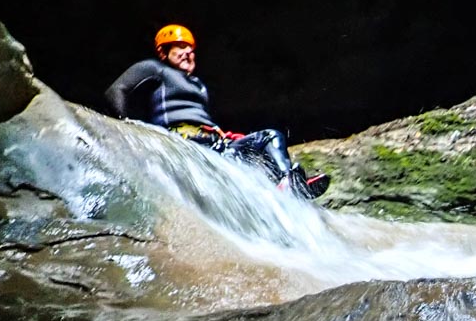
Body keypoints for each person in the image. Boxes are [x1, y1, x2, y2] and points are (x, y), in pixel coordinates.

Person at [104, 24, 328, 198]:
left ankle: (288, 182)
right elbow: (117, 89)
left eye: (190, 49)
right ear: (164, 52)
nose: (188, 52)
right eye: (180, 47)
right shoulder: (155, 69)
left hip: (215, 142)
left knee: (268, 136)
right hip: (183, 140)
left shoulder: (199, 85)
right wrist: (125, 124)